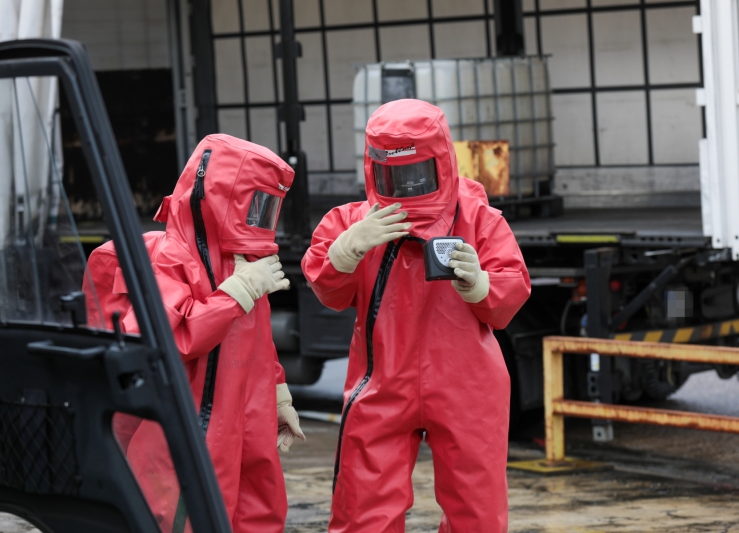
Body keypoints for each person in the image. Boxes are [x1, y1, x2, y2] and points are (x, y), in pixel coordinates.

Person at [301, 99, 531, 533]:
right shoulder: (355, 223)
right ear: (374, 168)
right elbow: (328, 288)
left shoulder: (478, 217)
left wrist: (482, 286)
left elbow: (512, 286)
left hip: (467, 386)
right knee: (364, 511)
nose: (405, 187)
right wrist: (347, 250)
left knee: (477, 513)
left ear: (442, 162)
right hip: (383, 385)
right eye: (394, 175)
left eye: (416, 174)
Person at [83, 134, 304, 532]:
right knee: (186, 520)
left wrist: (277, 394)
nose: (260, 218)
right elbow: (158, 339)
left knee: (260, 513)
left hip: (245, 426)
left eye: (268, 207)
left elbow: (258, 341)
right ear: (220, 197)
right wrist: (234, 295)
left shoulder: (245, 261)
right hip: (190, 432)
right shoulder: (168, 258)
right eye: (255, 204)